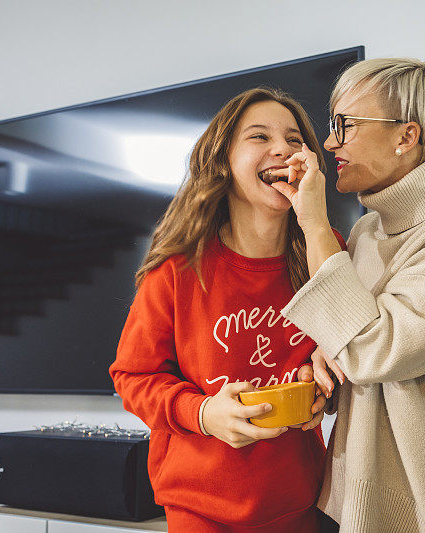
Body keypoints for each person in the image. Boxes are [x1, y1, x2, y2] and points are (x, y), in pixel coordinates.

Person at [270, 59, 425, 532]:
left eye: (345, 126)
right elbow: (358, 346)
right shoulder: (366, 230)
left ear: (406, 137)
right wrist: (326, 357)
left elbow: (377, 349)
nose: (328, 143)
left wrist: (315, 223)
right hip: (353, 496)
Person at [109, 87, 346, 532]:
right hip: (199, 511)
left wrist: (327, 386)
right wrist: (202, 414)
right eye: (259, 137)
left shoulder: (329, 253)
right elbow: (131, 377)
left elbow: (361, 351)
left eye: (295, 140)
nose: (283, 148)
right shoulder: (177, 271)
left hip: (302, 503)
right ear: (222, 161)